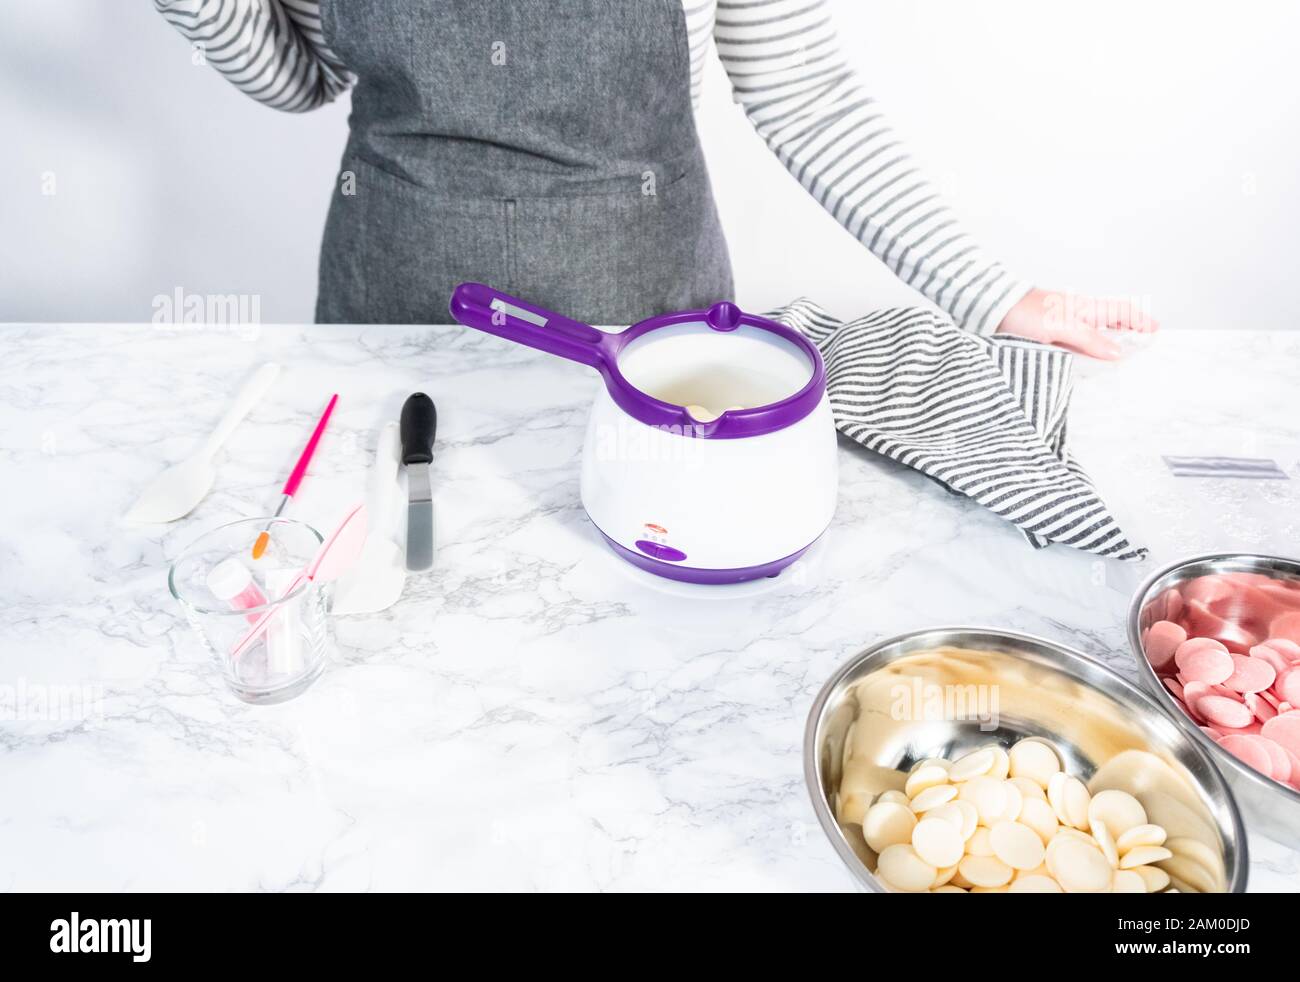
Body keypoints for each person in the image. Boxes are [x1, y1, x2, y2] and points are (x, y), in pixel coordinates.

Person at [155, 0, 1155, 356]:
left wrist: (989, 292)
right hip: (395, 328)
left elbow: (797, 84)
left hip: (648, 345)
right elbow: (302, 78)